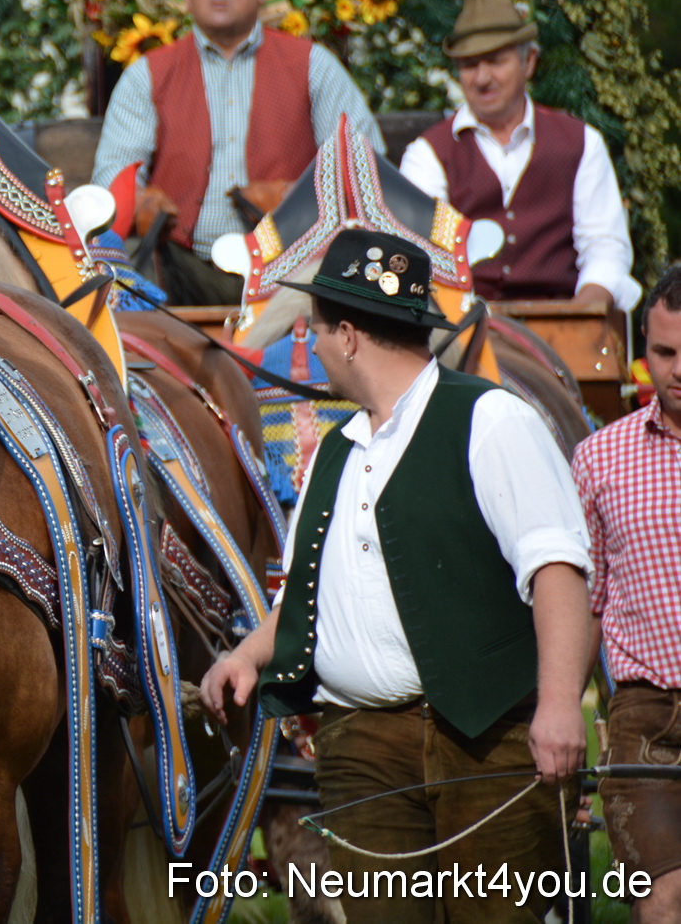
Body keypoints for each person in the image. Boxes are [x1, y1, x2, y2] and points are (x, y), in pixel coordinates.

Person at [199, 229, 594, 922]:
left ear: (348, 335)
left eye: (315, 330)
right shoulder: (335, 451)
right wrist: (244, 656)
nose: (312, 345)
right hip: (362, 748)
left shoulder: (491, 419)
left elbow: (557, 570)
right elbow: (304, 593)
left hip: (487, 738)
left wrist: (561, 704)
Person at [91, 0, 383, 304]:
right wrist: (138, 203)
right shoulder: (148, 74)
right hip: (177, 274)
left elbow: (365, 169)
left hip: (292, 275)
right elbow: (113, 180)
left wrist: (297, 199)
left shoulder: (313, 65)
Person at [400, 0, 640, 311]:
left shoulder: (580, 142)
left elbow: (605, 246)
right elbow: (424, 254)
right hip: (463, 329)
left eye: (496, 60)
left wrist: (582, 312)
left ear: (529, 62)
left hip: (564, 320)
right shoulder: (429, 154)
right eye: (469, 65)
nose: (482, 78)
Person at [572, 264, 681, 920]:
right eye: (665, 352)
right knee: (664, 900)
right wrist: (556, 707)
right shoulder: (599, 458)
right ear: (643, 351)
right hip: (646, 720)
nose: (678, 369)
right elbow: (583, 601)